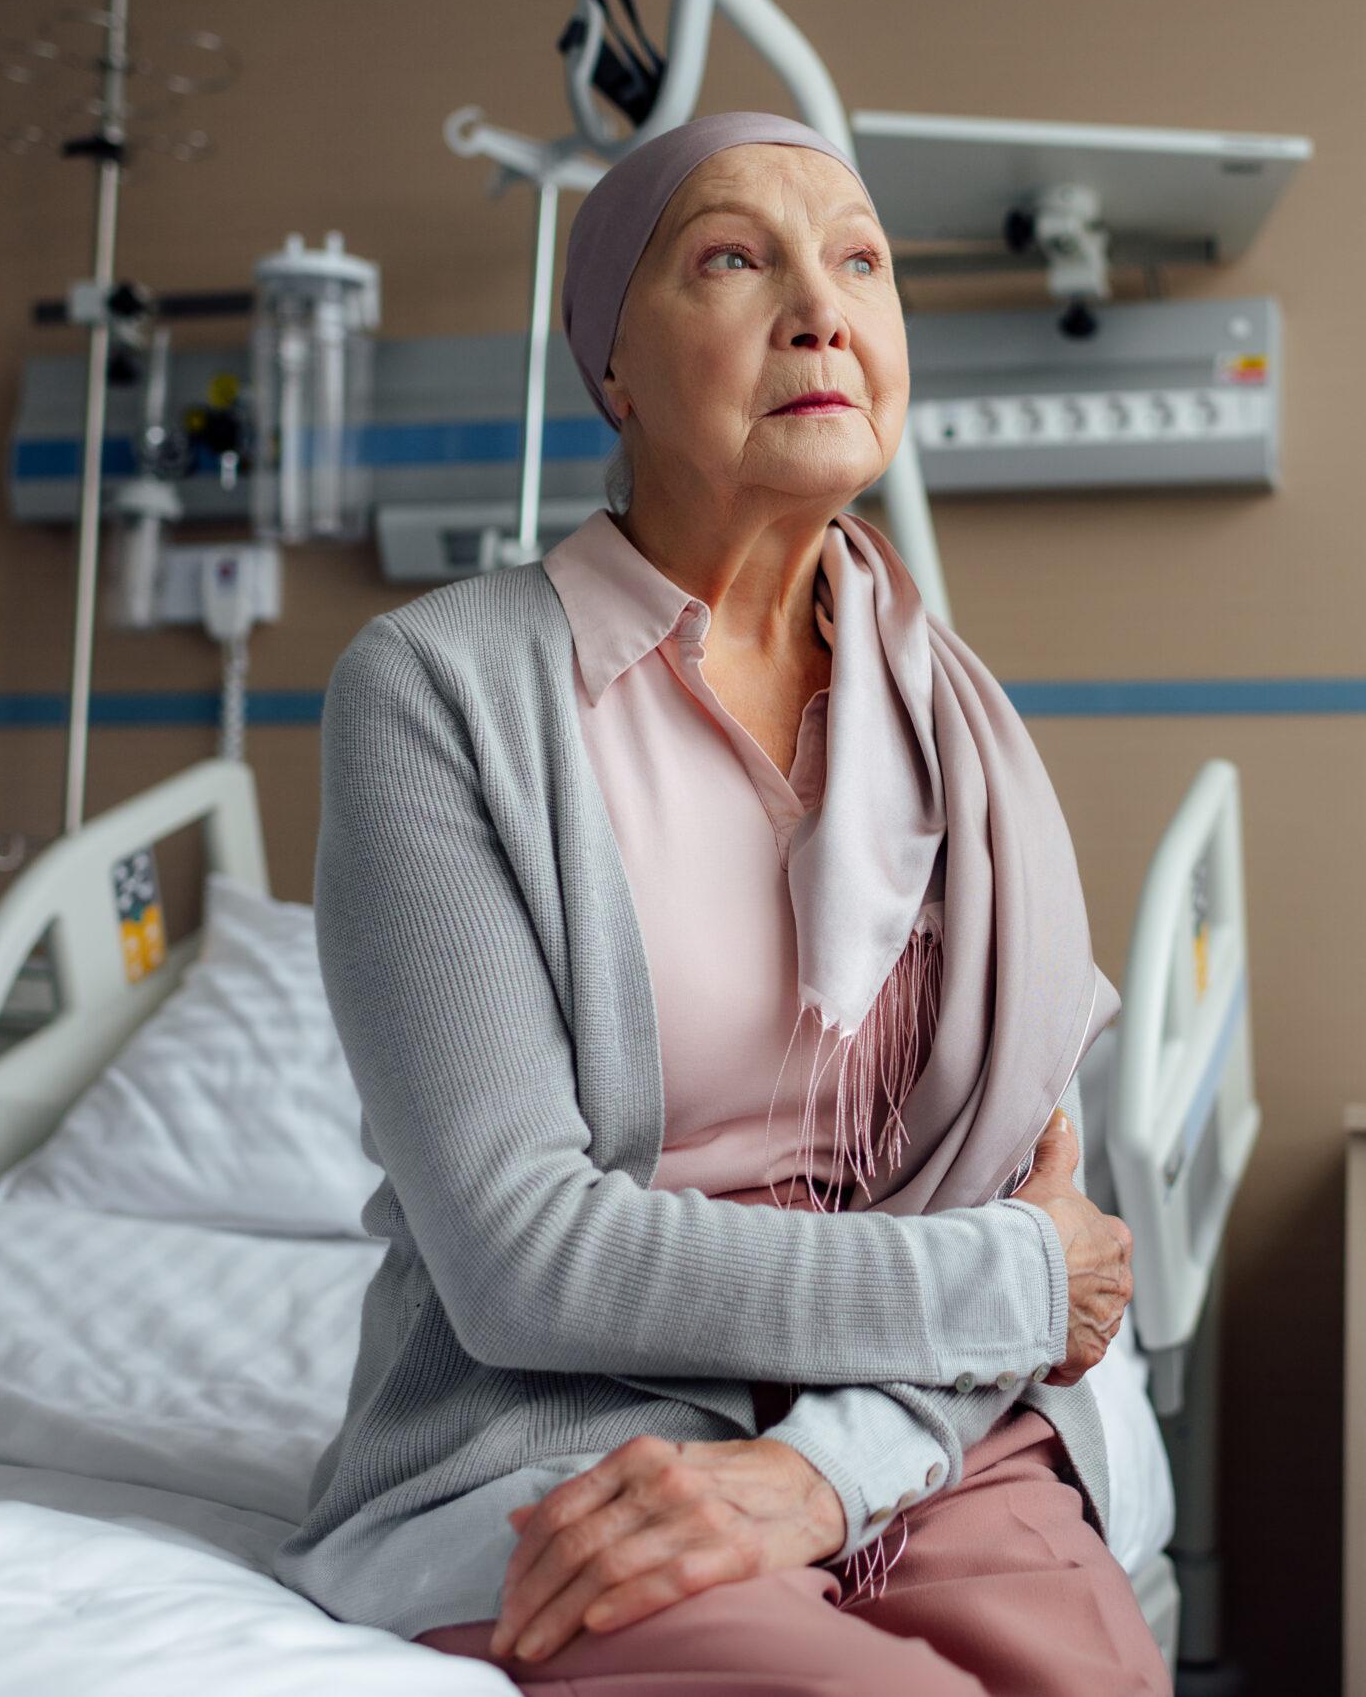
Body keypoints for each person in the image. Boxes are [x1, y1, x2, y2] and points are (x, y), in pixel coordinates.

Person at [277, 111, 1167, 1694]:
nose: (821, 307)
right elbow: (524, 1258)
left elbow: (1026, 1199)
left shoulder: (957, 726)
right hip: (557, 1429)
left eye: (863, 263)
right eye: (736, 257)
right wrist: (1013, 1284)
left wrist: (832, 1467)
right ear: (610, 365)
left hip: (920, 1427)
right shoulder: (438, 692)